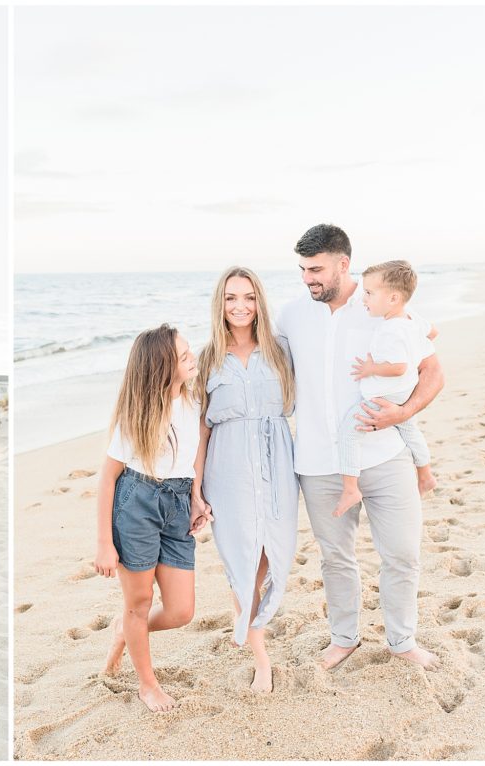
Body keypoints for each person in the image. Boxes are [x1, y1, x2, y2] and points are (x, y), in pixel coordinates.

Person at [276, 223, 443, 671]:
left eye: (316, 269)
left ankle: (402, 641)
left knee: (403, 555)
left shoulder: (382, 307)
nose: (308, 278)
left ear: (342, 264)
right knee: (336, 558)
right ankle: (344, 638)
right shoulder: (291, 316)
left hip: (386, 455)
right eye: (303, 269)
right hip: (318, 462)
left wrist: (403, 413)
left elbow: (432, 373)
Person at [94, 324, 209, 713]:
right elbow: (108, 478)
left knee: (181, 611)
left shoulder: (195, 402)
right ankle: (147, 684)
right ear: (162, 367)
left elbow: (193, 456)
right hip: (136, 504)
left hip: (177, 503)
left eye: (189, 350)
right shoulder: (138, 414)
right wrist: (104, 543)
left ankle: (124, 631)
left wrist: (195, 498)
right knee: (138, 602)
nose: (192, 357)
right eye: (183, 355)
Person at [193, 267, 298, 693]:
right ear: (220, 303)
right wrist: (195, 490)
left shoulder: (279, 351)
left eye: (249, 297)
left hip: (278, 466)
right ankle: (261, 659)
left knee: (272, 555)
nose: (240, 306)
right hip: (228, 468)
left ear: (260, 302)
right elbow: (201, 428)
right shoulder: (206, 359)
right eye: (232, 298)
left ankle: (246, 619)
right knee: (243, 560)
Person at [334, 259, 438, 517]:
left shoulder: (390, 329)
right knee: (409, 429)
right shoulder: (411, 318)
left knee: (349, 431)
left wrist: (371, 369)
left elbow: (398, 366)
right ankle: (425, 474)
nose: (363, 298)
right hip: (403, 392)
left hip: (385, 395)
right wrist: (416, 346)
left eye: (369, 293)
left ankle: (350, 488)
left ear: (392, 298)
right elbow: (432, 332)